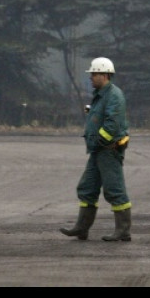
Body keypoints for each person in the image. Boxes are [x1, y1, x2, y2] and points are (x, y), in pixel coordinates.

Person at [60, 57, 133, 242]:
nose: (91, 77)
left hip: (108, 150)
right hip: (98, 150)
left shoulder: (114, 95)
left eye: (94, 74)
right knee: (87, 188)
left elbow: (111, 125)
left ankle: (123, 230)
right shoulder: (101, 94)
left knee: (114, 189)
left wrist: (99, 141)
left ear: (105, 75)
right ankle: (82, 228)